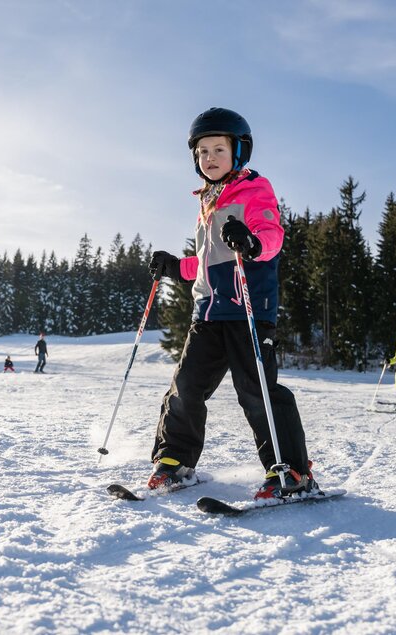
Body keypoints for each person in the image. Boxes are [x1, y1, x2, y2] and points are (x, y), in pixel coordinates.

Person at [145, 106, 318, 501]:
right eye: (202, 152)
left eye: (218, 150)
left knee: (256, 390)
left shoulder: (254, 190)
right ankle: (174, 460)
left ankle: (291, 470)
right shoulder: (207, 201)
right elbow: (208, 262)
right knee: (186, 387)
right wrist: (176, 267)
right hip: (207, 311)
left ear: (239, 152)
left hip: (248, 310)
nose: (209, 158)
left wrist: (253, 242)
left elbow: (270, 235)